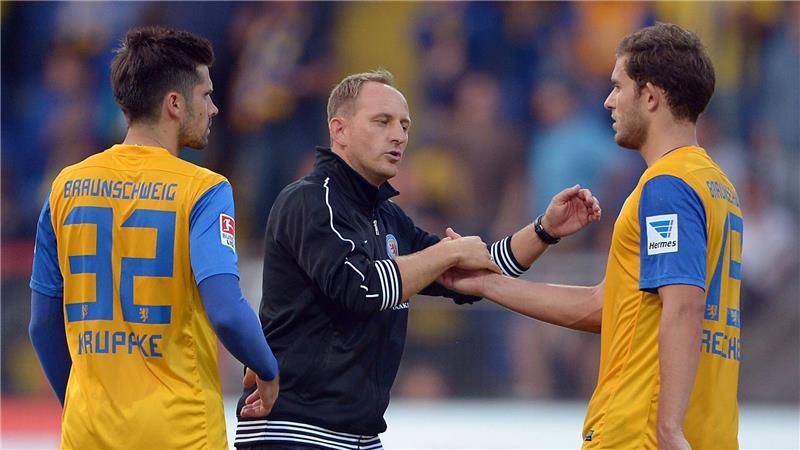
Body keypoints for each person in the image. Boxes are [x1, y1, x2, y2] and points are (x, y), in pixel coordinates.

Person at [233, 69, 601, 448]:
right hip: (293, 431)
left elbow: (473, 272)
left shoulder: (388, 217)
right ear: (339, 130)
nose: (398, 135)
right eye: (382, 122)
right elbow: (362, 288)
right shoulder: (311, 200)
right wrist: (446, 252)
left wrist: (544, 230)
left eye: (405, 125)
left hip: (357, 437)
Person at [440, 23, 742, 449]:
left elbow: (684, 306)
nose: (608, 101)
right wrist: (488, 284)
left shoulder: (667, 185)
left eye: (618, 87)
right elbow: (605, 307)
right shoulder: (717, 186)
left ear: (651, 96)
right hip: (709, 433)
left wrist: (668, 428)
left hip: (640, 432)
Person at [29, 26, 280, 449]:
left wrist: (80, 406)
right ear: (175, 104)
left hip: (87, 433)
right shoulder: (204, 190)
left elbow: (42, 325)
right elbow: (226, 310)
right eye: (206, 95)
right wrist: (267, 367)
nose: (215, 108)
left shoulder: (64, 188)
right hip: (180, 432)